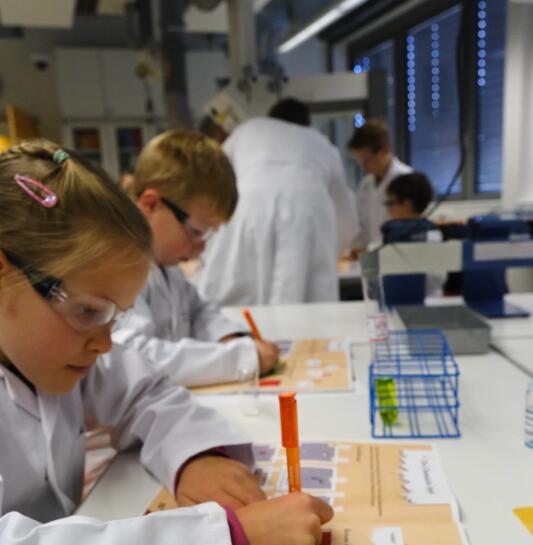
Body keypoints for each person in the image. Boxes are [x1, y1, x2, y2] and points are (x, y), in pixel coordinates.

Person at [0, 140, 333, 545]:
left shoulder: (52, 351)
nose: (106, 343)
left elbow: (145, 389)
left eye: (117, 318)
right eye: (88, 312)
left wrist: (194, 456)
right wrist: (228, 543)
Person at [113, 130, 279, 387]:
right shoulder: (119, 264)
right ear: (151, 204)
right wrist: (240, 358)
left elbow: (197, 310)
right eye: (196, 231)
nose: (201, 247)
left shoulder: (164, 261)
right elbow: (134, 357)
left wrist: (227, 337)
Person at [195, 103, 359, 306]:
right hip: (310, 210)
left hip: (249, 205)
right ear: (306, 124)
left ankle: (235, 327)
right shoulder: (321, 142)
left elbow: (214, 181)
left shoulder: (248, 129)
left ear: (270, 117)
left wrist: (204, 244)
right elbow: (345, 217)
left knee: (237, 294)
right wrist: (339, 247)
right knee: (306, 301)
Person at [347, 118, 412, 252]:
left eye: (366, 159)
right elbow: (362, 227)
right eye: (359, 161)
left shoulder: (407, 179)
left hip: (401, 255)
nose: (363, 166)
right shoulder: (365, 185)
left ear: (385, 149)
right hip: (373, 256)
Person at [379, 171, 439, 306]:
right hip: (394, 301)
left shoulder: (431, 234)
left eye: (390, 203)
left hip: (427, 302)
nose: (388, 209)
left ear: (406, 204)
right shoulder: (391, 232)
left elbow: (436, 278)